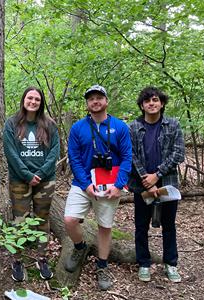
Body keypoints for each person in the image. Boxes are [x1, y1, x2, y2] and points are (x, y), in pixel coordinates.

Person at [64, 85, 132, 291]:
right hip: (83, 182)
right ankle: (79, 247)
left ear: (106, 101)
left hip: (110, 184)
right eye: (91, 99)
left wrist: (119, 185)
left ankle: (102, 265)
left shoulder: (120, 127)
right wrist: (85, 184)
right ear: (87, 103)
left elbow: (128, 157)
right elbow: (74, 158)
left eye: (99, 98)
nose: (95, 101)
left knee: (105, 226)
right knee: (69, 220)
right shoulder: (78, 128)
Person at [127, 87, 185, 283]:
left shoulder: (173, 125)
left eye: (155, 100)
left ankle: (171, 264)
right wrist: (146, 179)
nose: (151, 104)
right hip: (141, 185)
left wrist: (157, 175)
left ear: (161, 103)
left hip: (167, 184)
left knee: (169, 225)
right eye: (147, 101)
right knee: (141, 226)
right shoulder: (133, 127)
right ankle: (144, 263)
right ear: (142, 105)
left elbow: (178, 153)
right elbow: (131, 155)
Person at [3, 87, 60, 282]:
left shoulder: (49, 124)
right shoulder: (12, 123)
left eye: (37, 99)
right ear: (24, 99)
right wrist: (27, 175)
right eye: (30, 98)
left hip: (45, 180)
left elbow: (54, 151)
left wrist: (41, 173)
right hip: (19, 180)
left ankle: (42, 258)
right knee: (20, 219)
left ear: (41, 102)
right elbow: (10, 152)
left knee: (43, 218)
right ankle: (17, 260)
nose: (33, 101)